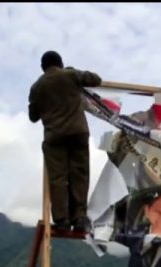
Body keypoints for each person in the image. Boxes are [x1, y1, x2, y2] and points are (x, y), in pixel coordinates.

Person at [28, 50, 102, 233]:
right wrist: (72, 71)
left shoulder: (37, 86)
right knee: (80, 174)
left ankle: (61, 219)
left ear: (42, 67)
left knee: (58, 178)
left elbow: (33, 116)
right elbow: (96, 79)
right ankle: (79, 218)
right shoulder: (70, 74)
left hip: (54, 137)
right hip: (78, 132)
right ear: (60, 63)